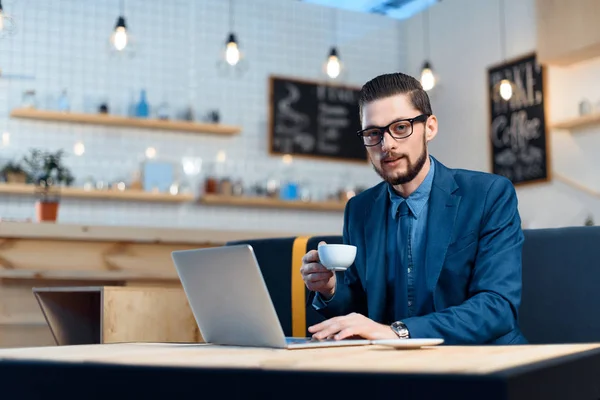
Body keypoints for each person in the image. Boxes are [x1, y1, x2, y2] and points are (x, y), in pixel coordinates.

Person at [300, 72, 527, 345]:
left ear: (429, 128)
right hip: (396, 367)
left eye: (400, 127)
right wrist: (330, 289)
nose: (387, 145)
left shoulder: (489, 195)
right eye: (374, 133)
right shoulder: (359, 210)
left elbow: (496, 308)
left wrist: (398, 332)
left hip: (481, 363)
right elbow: (361, 310)